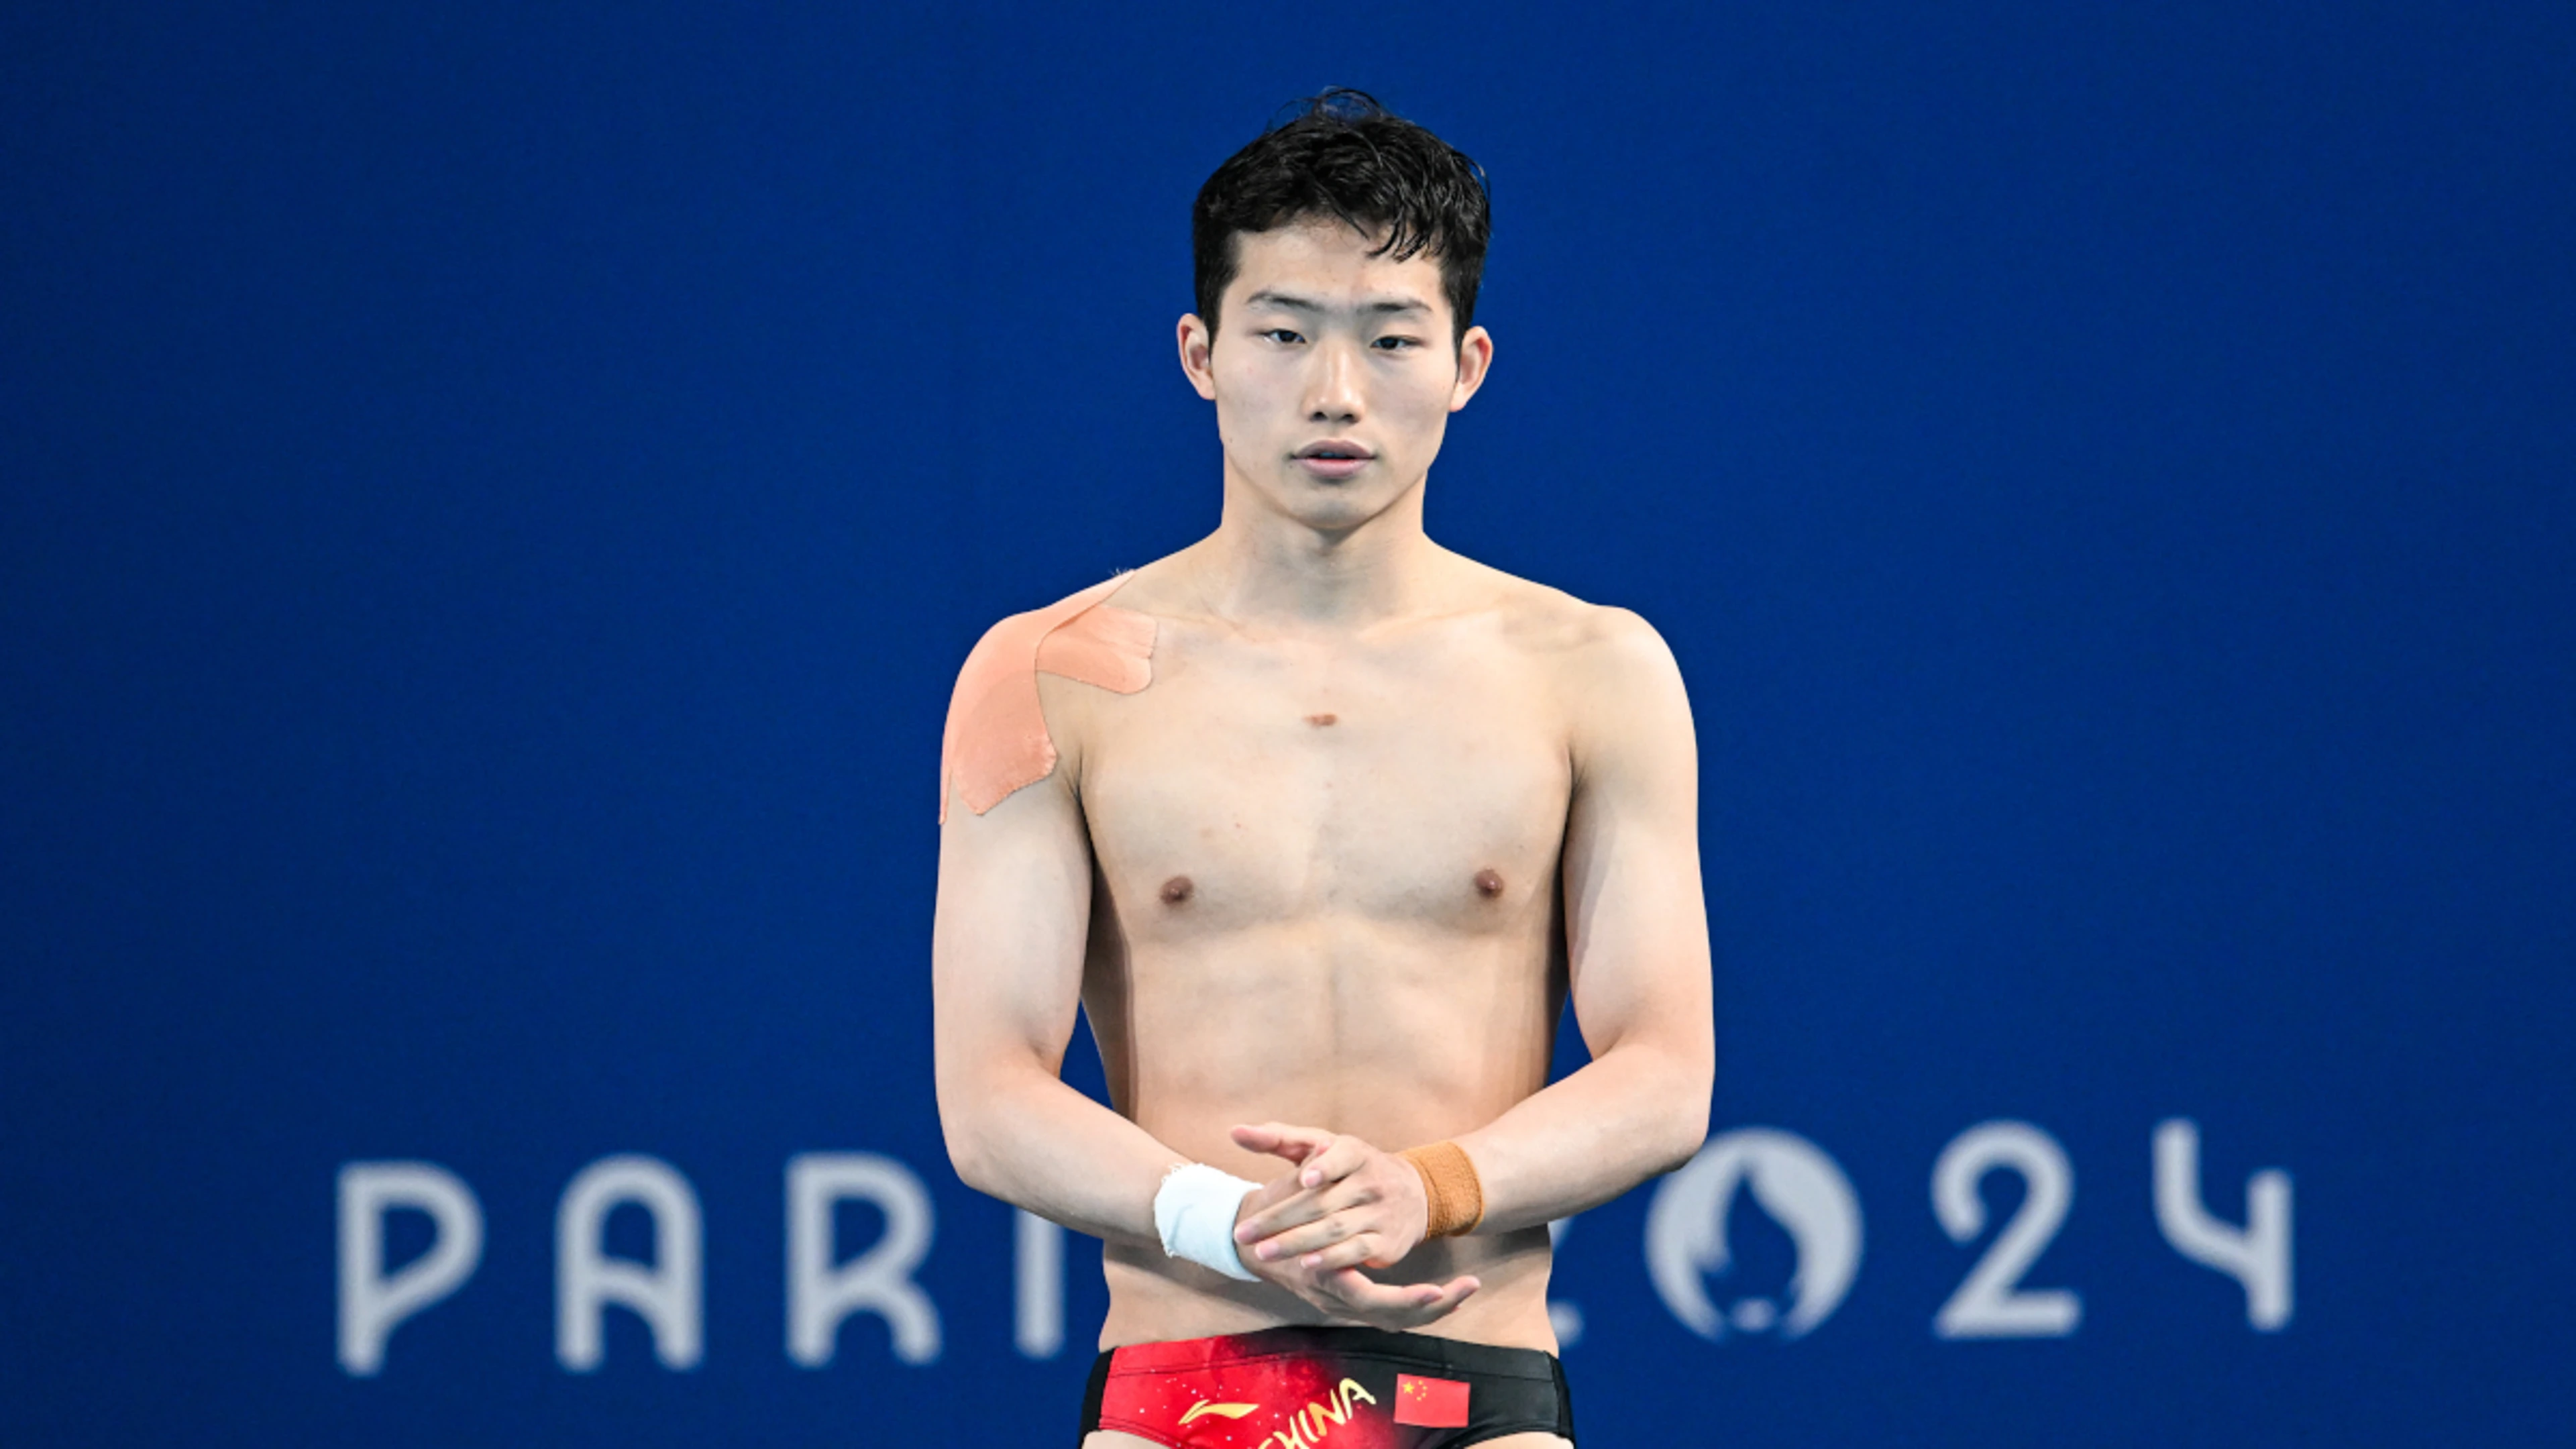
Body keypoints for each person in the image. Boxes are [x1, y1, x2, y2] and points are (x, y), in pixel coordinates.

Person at [933, 89, 1712, 1449]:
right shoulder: (1045, 673)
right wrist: (1223, 1224)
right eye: (1283, 335)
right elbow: (991, 1099)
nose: (1335, 392)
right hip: (1181, 1390)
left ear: (1467, 363)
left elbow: (1663, 1070)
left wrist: (1434, 1187)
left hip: (1474, 1392)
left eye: (1389, 338)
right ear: (1201, 352)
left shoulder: (1599, 669)